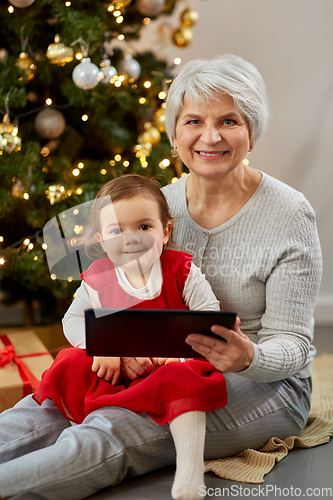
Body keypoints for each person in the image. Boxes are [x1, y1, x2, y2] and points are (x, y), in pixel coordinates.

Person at [0, 54, 322, 500]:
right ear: (174, 133)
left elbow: (295, 344)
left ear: (252, 130)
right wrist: (117, 348)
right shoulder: (152, 210)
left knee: (114, 424)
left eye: (229, 120)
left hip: (265, 383)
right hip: (154, 364)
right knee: (50, 405)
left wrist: (249, 357)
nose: (210, 136)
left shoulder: (289, 215)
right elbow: (105, 293)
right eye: (194, 121)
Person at [32, 174, 228, 500]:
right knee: (69, 361)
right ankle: (72, 441)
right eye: (116, 230)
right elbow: (72, 321)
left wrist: (178, 354)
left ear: (165, 231)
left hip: (168, 367)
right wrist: (103, 346)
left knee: (186, 377)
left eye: (144, 227)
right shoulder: (99, 280)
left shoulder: (181, 271)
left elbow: (209, 319)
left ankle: (190, 472)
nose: (131, 238)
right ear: (101, 239)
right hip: (120, 369)